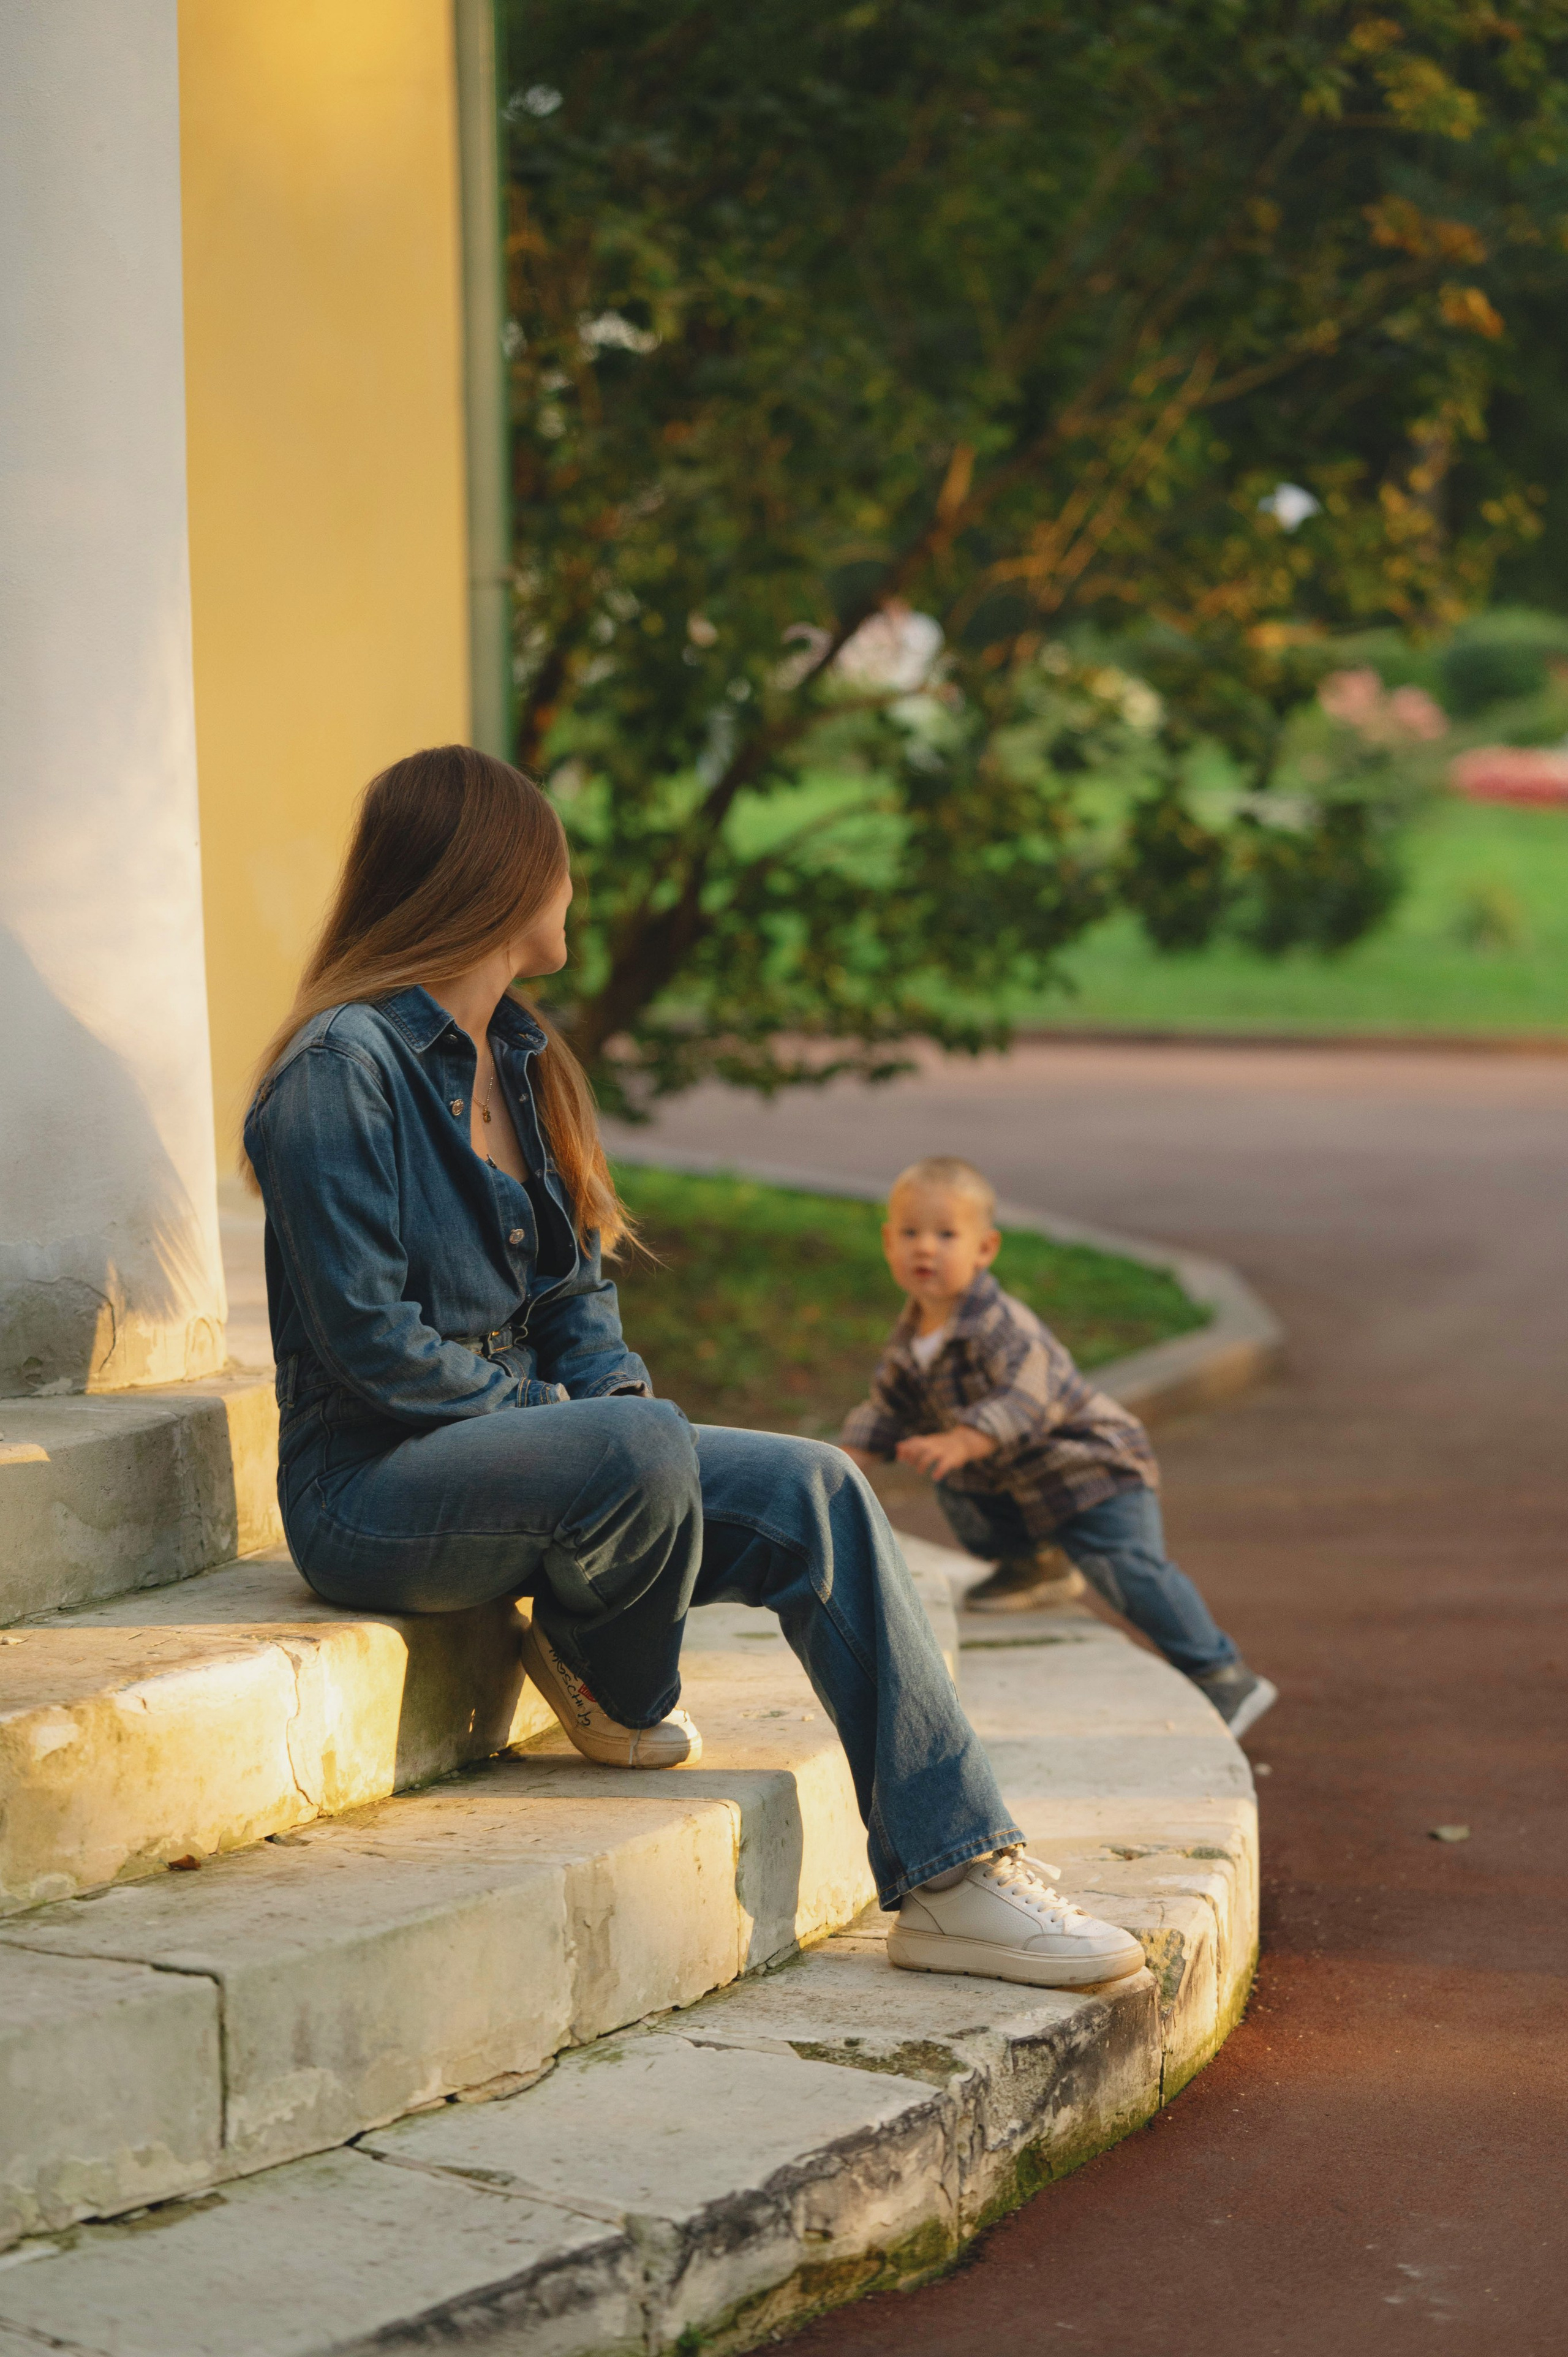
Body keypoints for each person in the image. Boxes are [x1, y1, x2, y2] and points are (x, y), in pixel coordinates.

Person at [242, 745, 1145, 1992]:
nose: (575, 888)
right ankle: (610, 1671)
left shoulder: (520, 1058)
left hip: (538, 1465)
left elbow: (575, 1296)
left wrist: (603, 1421)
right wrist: (591, 1441)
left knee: (815, 1488)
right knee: (638, 1446)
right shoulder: (340, 1074)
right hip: (375, 1492)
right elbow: (368, 1346)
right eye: (559, 861)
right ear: (499, 878)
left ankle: (953, 1877)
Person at [839, 1156, 1278, 1738]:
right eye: (911, 1234)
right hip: (1020, 1483)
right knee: (953, 1476)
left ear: (985, 1249)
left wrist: (964, 1439)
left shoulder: (1003, 1325)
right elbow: (888, 1406)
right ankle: (1033, 1566)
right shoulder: (913, 1335)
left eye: (947, 1235)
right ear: (889, 1243)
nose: (927, 1249)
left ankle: (1222, 1672)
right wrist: (845, 1459)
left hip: (1092, 1471)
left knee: (1126, 1570)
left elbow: (1025, 1399)